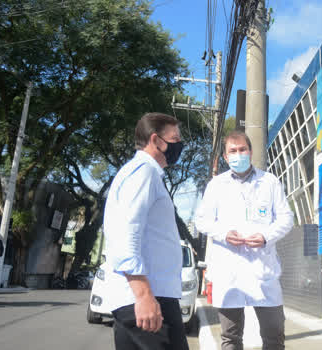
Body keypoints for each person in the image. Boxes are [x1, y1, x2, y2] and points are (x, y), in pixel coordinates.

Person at [195, 130, 293, 350]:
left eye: (242, 150)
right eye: (233, 151)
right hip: (230, 272)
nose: (238, 154)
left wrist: (266, 236)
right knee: (230, 338)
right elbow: (201, 221)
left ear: (250, 152)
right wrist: (223, 234)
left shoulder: (269, 182)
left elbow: (287, 218)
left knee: (274, 336)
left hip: (263, 272)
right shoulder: (216, 186)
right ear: (225, 156)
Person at [103, 112, 188, 350]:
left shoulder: (141, 172)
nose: (179, 144)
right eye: (175, 138)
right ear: (155, 140)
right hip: (148, 296)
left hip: (141, 296)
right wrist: (143, 296)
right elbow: (125, 233)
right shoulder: (143, 172)